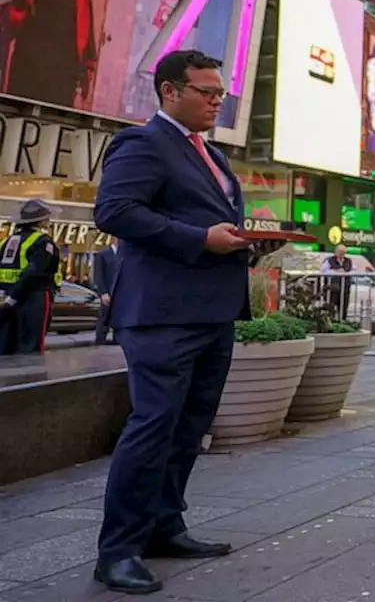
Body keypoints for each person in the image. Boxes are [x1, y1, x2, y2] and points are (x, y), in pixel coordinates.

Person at [93, 50, 282, 595]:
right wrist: (200, 239)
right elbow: (115, 212)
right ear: (170, 91)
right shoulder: (141, 143)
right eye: (207, 92)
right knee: (153, 426)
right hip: (161, 315)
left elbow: (215, 222)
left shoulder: (213, 157)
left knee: (187, 428)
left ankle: (164, 526)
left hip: (214, 311)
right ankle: (119, 550)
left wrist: (250, 244)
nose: (217, 101)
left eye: (221, 93)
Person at [0, 199, 63, 355]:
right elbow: (35, 271)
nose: (49, 220)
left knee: (6, 343)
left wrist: (9, 296)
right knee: (31, 345)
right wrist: (15, 294)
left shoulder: (6, 241)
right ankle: (29, 378)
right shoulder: (42, 242)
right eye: (46, 218)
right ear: (40, 220)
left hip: (6, 297)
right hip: (34, 297)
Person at [93, 238, 121, 345]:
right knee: (104, 317)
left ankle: (117, 340)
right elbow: (98, 275)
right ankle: (100, 341)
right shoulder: (102, 254)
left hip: (120, 294)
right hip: (108, 293)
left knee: (119, 319)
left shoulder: (124, 256)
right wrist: (103, 292)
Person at [320, 244, 354, 319]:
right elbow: (323, 271)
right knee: (330, 308)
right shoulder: (329, 260)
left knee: (343, 308)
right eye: (340, 253)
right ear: (335, 252)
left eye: (343, 253)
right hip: (332, 290)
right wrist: (335, 271)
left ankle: (343, 322)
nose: (342, 255)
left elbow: (353, 271)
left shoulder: (349, 261)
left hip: (345, 289)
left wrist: (346, 273)